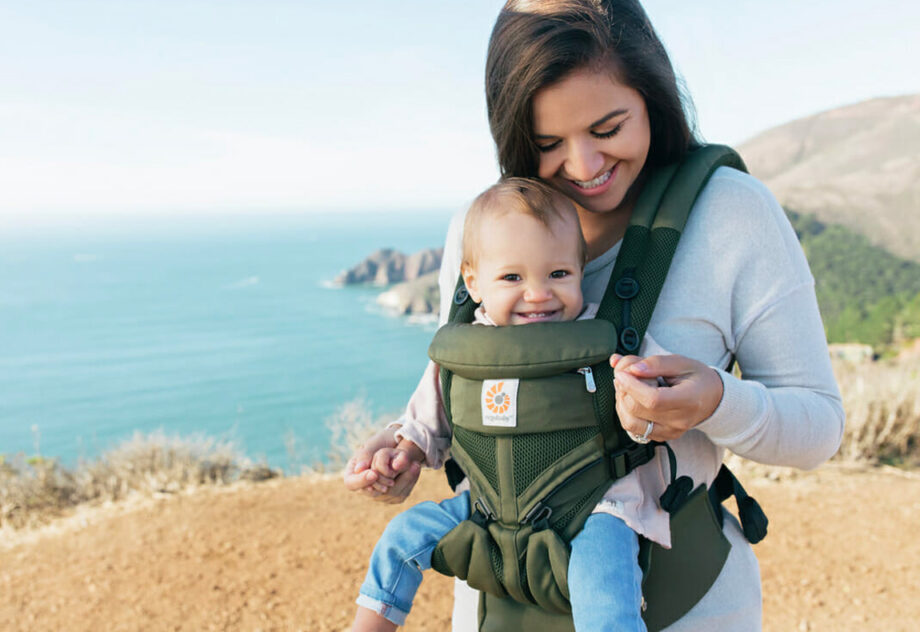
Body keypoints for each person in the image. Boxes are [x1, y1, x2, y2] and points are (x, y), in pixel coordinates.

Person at [345, 1, 844, 630]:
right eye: (548, 143)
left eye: (608, 128)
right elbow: (479, 373)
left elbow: (819, 427)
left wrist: (716, 402)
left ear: (653, 99)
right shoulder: (479, 231)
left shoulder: (732, 216)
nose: (584, 167)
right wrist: (404, 445)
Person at [351, 178, 663, 632]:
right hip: (486, 505)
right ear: (474, 283)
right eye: (512, 277)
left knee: (605, 583)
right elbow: (424, 424)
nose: (537, 294)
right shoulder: (464, 354)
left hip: (594, 506)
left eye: (558, 274)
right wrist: (404, 452)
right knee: (402, 538)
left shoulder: (607, 339)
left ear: (582, 268)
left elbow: (657, 399)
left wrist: (648, 394)